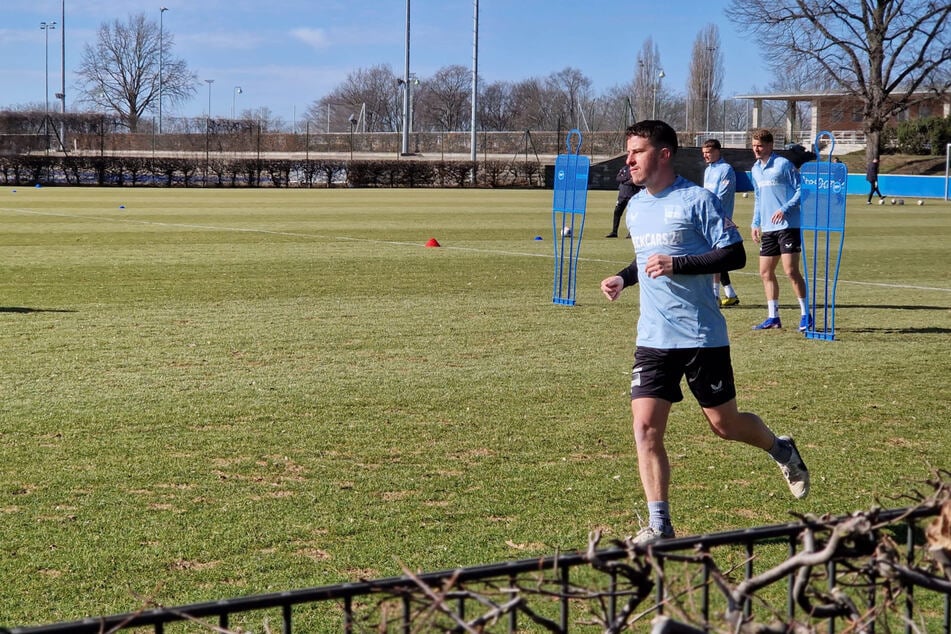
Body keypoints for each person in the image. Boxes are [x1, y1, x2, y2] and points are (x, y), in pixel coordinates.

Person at [600, 120, 809, 545]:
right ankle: (660, 526)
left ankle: (780, 448)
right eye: (628, 152)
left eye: (637, 151)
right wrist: (625, 277)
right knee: (645, 428)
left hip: (700, 336)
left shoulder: (697, 200)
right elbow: (647, 259)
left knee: (725, 425)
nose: (629, 160)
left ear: (663, 153)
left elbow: (733, 254)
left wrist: (677, 264)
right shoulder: (637, 206)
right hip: (653, 337)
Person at [749, 129, 811, 332]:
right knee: (765, 272)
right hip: (768, 228)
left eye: (760, 145)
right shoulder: (756, 169)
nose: (756, 149)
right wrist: (755, 223)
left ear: (770, 146)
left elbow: (803, 190)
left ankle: (806, 315)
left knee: (791, 271)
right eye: (754, 145)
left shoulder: (783, 164)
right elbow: (758, 198)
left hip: (788, 226)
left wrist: (784, 210)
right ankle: (773, 317)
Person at [701, 139, 740, 306]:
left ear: (718, 151)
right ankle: (729, 294)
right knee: (715, 256)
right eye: (703, 153)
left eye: (708, 152)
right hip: (707, 219)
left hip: (720, 220)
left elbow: (721, 197)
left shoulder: (726, 169)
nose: (706, 156)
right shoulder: (708, 170)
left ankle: (715, 295)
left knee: (716, 257)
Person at [606, 164, 639, 238]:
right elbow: (618, 178)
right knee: (617, 212)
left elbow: (634, 181)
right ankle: (614, 232)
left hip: (632, 195)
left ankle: (631, 233)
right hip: (622, 196)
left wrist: (624, 181)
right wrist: (627, 179)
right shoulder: (624, 168)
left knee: (632, 215)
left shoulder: (636, 169)